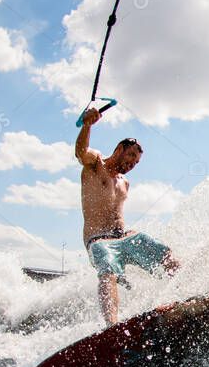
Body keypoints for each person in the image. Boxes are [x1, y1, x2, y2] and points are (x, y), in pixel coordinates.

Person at [75, 106, 179, 325]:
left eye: (137, 162)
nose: (133, 163)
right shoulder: (96, 164)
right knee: (107, 270)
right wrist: (87, 125)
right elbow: (80, 152)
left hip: (125, 238)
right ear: (120, 148)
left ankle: (189, 291)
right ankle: (112, 327)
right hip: (99, 240)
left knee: (163, 252)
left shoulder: (125, 183)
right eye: (131, 155)